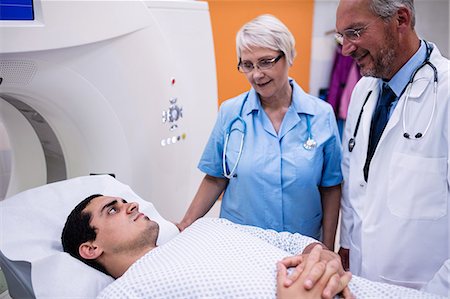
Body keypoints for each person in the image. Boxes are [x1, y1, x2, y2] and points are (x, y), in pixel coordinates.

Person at [177, 14, 343, 250]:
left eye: (266, 61)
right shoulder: (231, 113)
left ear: (289, 56)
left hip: (302, 246)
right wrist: (185, 225)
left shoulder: (321, 115)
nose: (256, 74)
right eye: (247, 64)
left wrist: (327, 249)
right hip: (241, 245)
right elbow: (215, 177)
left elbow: (331, 187)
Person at [336, 0, 449, 290]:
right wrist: (347, 243)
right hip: (360, 279)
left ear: (400, 19)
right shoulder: (363, 90)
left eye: (355, 32)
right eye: (342, 36)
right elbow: (354, 178)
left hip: (422, 288)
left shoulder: (445, 94)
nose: (346, 49)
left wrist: (436, 293)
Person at [61, 194, 353, 298]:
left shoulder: (206, 226)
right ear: (90, 248)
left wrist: (322, 255)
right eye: (112, 210)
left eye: (124, 201)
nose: (132, 204)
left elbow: (286, 240)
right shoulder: (126, 292)